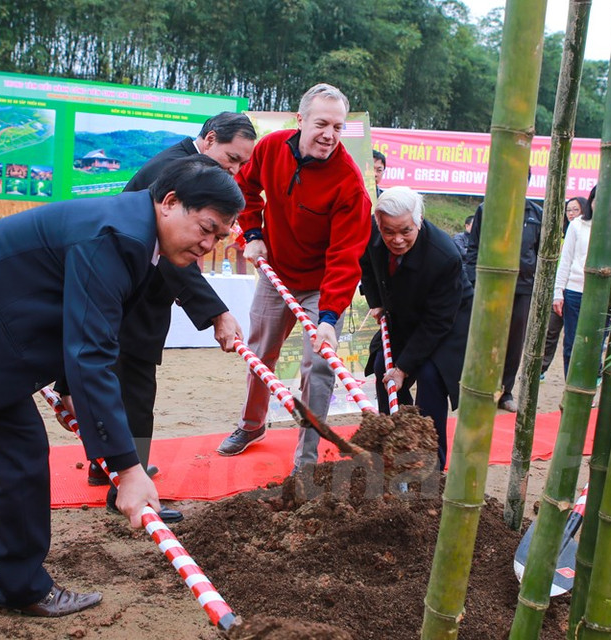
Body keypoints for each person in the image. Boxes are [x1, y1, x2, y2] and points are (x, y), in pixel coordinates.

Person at [0, 156, 245, 615]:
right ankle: (22, 588)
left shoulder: (130, 225)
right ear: (171, 202)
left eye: (220, 237)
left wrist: (68, 389)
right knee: (21, 455)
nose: (209, 245)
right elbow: (91, 353)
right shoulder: (118, 236)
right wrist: (128, 468)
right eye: (207, 228)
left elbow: (74, 314)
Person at [79, 113, 256, 522]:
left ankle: (105, 466)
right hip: (131, 296)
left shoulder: (186, 166)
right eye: (232, 158)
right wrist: (216, 313)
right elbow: (178, 258)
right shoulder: (179, 171)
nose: (235, 170)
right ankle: (127, 488)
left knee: (121, 385)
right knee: (135, 393)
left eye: (243, 164)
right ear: (210, 139)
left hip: (134, 292)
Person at [216, 83, 372, 468]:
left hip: (321, 286)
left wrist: (329, 318)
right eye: (321, 124)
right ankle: (252, 425)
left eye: (338, 127)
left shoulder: (349, 183)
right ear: (301, 120)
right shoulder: (272, 148)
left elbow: (344, 256)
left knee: (318, 366)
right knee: (260, 352)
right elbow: (244, 188)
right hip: (278, 273)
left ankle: (306, 459)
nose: (329, 135)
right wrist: (253, 234)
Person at [361, 187, 472, 469]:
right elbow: (366, 264)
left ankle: (430, 463)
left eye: (405, 231)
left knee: (430, 376)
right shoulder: (372, 233)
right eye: (389, 231)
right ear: (378, 224)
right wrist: (377, 302)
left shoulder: (444, 256)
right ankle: (395, 445)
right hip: (403, 312)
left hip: (447, 322)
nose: (397, 239)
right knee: (382, 369)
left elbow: (438, 322)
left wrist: (403, 368)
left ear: (419, 221)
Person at [464, 173, 542, 412]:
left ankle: (505, 391)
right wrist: (474, 281)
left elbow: (541, 252)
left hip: (522, 286)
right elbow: (474, 247)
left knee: (515, 341)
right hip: (490, 286)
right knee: (486, 335)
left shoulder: (536, 214)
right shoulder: (487, 208)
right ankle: (481, 386)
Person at [540, 197, 590, 379]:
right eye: (568, 210)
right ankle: (542, 369)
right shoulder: (564, 230)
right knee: (553, 332)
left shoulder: (596, 229)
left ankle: (588, 376)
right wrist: (557, 291)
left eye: (575, 209)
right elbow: (564, 262)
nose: (571, 213)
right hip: (564, 288)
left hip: (584, 289)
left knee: (585, 338)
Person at [553, 186, 597, 378]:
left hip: (602, 294)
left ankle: (589, 384)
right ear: (591, 201)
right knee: (572, 341)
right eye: (597, 200)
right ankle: (571, 383)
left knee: (595, 343)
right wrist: (558, 292)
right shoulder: (577, 225)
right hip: (575, 290)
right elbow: (566, 260)